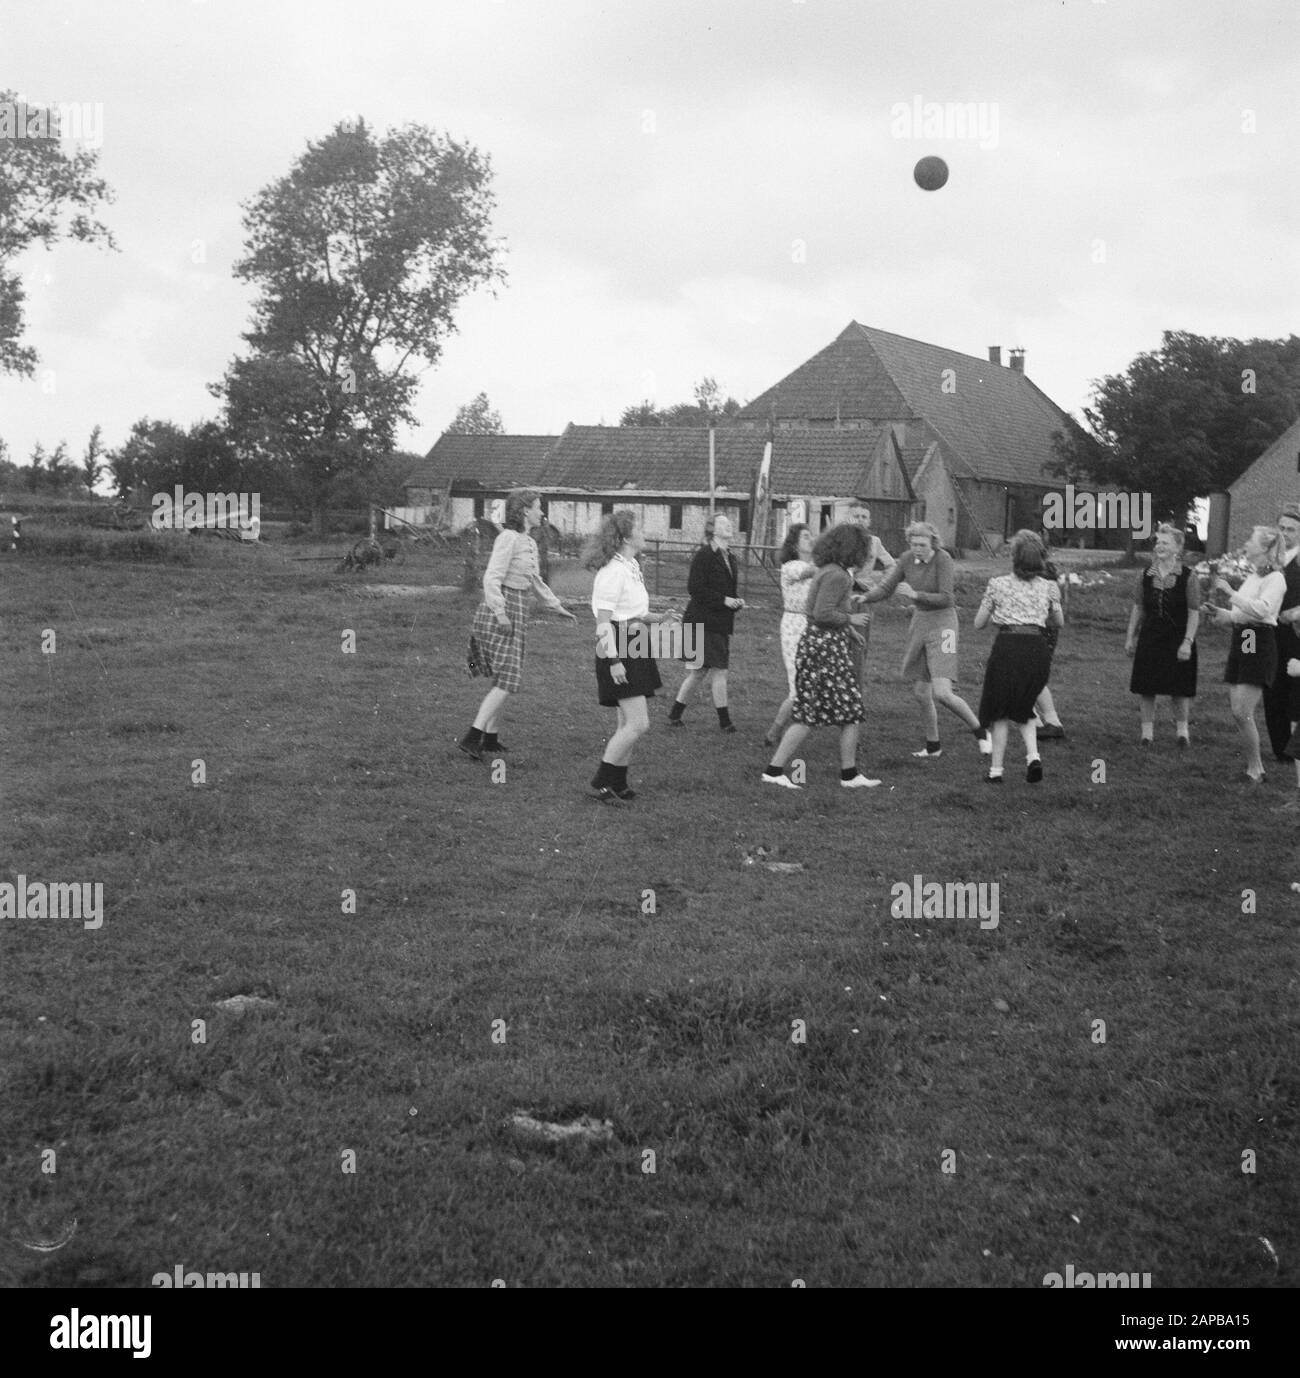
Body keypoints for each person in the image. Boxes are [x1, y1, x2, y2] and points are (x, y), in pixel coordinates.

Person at [458, 489, 576, 759]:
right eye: (538, 507)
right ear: (524, 510)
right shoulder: (508, 538)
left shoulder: (528, 542)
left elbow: (535, 582)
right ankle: (472, 737)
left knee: (504, 677)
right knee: (509, 678)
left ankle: (490, 738)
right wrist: (500, 613)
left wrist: (557, 607)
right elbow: (491, 578)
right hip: (502, 609)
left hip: (519, 608)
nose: (542, 512)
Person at [761, 523, 881, 790]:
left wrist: (849, 631)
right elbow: (821, 613)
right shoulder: (837, 575)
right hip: (824, 649)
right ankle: (774, 770)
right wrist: (851, 619)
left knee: (847, 711)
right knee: (812, 714)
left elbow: (817, 610)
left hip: (823, 644)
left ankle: (848, 774)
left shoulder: (829, 571)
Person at [860, 521, 991, 759]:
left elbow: (947, 598)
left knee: (942, 693)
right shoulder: (907, 558)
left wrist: (915, 594)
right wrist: (866, 597)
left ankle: (981, 732)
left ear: (933, 542)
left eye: (922, 544)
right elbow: (887, 587)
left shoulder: (943, 559)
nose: (917, 548)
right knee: (921, 692)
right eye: (913, 544)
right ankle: (933, 746)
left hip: (945, 626)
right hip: (920, 624)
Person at [584, 510, 681, 803]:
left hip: (635, 641)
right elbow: (604, 622)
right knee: (639, 724)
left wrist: (659, 617)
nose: (644, 532)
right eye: (639, 528)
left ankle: (618, 785)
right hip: (617, 646)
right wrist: (614, 662)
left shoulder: (631, 565)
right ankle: (602, 779)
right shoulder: (612, 571)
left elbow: (634, 612)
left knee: (626, 723)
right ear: (626, 537)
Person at [972, 530, 1064, 783]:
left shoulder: (997, 584)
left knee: (1001, 710)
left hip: (1008, 646)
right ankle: (1033, 757)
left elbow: (979, 623)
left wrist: (1001, 615)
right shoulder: (1049, 586)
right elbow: (1059, 621)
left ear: (1013, 557)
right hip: (1036, 649)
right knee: (1024, 706)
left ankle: (996, 771)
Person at [1201, 525, 1289, 783]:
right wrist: (1220, 612)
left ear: (1265, 548)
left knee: (1242, 710)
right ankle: (1255, 767)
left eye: (1251, 539)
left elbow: (1263, 610)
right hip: (1244, 637)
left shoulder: (1276, 579)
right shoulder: (1254, 577)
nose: (1246, 543)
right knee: (1238, 710)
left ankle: (1256, 770)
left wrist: (1230, 593)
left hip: (1259, 640)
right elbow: (1242, 614)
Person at [1124, 523, 1200, 748]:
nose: (1159, 546)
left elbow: (1194, 612)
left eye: (1165, 542)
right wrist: (1130, 637)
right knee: (1146, 686)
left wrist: (1188, 641)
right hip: (1151, 636)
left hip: (1178, 637)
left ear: (1178, 547)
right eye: (1157, 542)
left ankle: (1182, 733)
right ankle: (1146, 734)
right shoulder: (1145, 575)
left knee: (1179, 688)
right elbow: (1138, 607)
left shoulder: (1188, 576)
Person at [667, 513, 745, 732]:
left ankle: (675, 714)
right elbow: (695, 588)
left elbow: (724, 589)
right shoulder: (704, 555)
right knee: (719, 670)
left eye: (730, 522)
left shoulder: (730, 556)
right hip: (702, 621)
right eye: (723, 523)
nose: (729, 524)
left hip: (718, 621)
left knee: (699, 671)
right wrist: (724, 600)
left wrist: (735, 601)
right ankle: (725, 722)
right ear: (712, 529)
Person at [763, 523, 816, 747]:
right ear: (794, 544)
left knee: (810, 682)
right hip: (794, 624)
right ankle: (775, 731)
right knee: (798, 686)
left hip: (813, 623)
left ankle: (793, 727)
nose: (811, 539)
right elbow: (809, 571)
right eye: (806, 536)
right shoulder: (791, 566)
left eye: (811, 535)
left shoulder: (814, 565)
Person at [845, 497, 897, 692]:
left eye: (864, 517)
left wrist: (881, 588)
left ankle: (855, 693)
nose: (860, 520)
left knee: (859, 645)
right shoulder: (840, 538)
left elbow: (891, 565)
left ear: (869, 521)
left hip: (863, 598)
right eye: (856, 516)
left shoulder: (874, 542)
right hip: (842, 596)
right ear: (848, 518)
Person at [1262, 503, 1300, 765]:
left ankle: (1295, 747)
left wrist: (1297, 612)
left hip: (1296, 633)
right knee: (1272, 687)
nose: (1285, 533)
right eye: (1282, 528)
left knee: (1294, 688)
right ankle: (1280, 750)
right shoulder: (1270, 559)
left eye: (1292, 529)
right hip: (1270, 633)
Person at [1031, 529, 1068, 739]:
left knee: (1032, 678)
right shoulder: (1039, 574)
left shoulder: (1044, 577)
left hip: (1041, 632)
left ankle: (1052, 722)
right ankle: (1036, 722)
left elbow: (1055, 615)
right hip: (1035, 631)